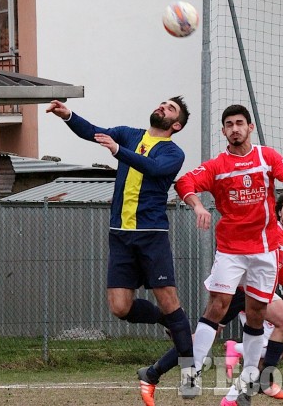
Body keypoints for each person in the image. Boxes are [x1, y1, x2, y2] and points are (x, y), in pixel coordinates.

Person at [175, 104, 283, 406]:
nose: (234, 129)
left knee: (257, 314)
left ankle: (248, 378)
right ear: (223, 131)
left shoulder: (266, 157)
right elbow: (185, 182)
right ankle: (191, 370)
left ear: (249, 128)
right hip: (231, 252)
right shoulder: (217, 166)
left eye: (239, 123)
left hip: (263, 252)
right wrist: (196, 205)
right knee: (218, 306)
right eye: (229, 125)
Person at [45, 97, 196, 406]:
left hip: (152, 234)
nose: (162, 108)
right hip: (120, 236)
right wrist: (68, 115)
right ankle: (168, 323)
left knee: (169, 301)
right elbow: (93, 131)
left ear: (176, 125)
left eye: (170, 109)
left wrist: (118, 152)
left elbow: (152, 168)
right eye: (163, 104)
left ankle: (190, 373)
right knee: (119, 307)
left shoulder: (172, 152)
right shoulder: (129, 134)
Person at [220, 190, 283, 405]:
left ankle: (234, 396)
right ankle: (263, 379)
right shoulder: (271, 230)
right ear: (278, 212)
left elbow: (282, 276)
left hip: (268, 290)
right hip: (251, 291)